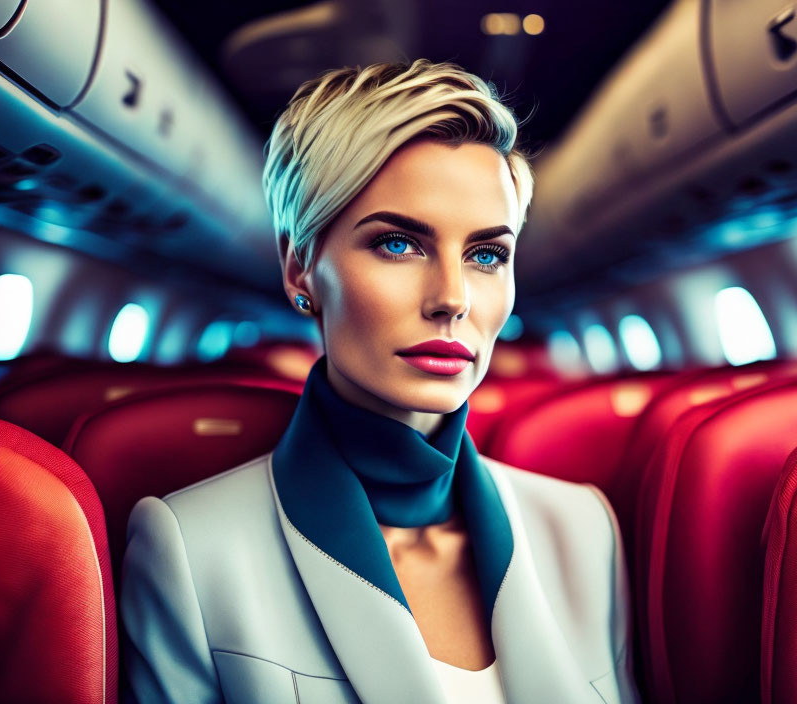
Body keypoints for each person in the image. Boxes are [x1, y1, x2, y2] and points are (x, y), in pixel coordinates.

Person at [121, 59, 639, 704]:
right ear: (301, 265)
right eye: (399, 244)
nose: (452, 299)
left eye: (486, 255)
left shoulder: (584, 530)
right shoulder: (193, 552)